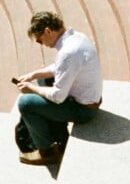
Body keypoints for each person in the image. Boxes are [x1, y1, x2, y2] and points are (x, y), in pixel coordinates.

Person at [14, 12, 103, 166]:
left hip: (84, 110)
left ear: (48, 31)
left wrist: (31, 89)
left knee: (25, 103)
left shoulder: (68, 53)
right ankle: (56, 127)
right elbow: (59, 68)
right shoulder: (77, 38)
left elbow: (58, 97)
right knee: (43, 78)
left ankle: (48, 151)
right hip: (90, 97)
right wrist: (33, 75)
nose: (41, 44)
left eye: (40, 40)